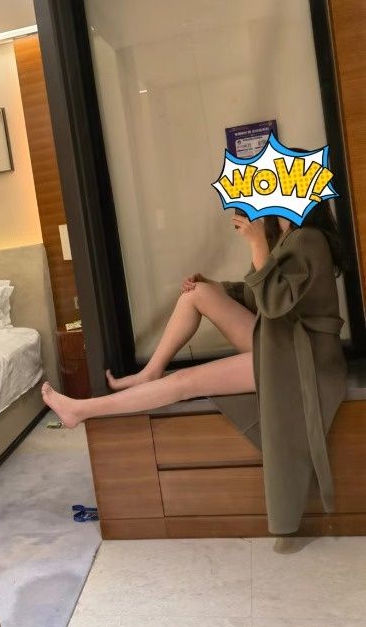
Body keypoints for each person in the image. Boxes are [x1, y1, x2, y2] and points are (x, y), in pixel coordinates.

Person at [42, 202, 347, 536]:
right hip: (279, 340)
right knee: (197, 293)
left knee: (186, 380)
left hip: (299, 359)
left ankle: (81, 410)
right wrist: (213, 284)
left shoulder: (309, 239)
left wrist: (257, 244)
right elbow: (255, 296)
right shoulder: (282, 235)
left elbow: (273, 303)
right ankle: (151, 371)